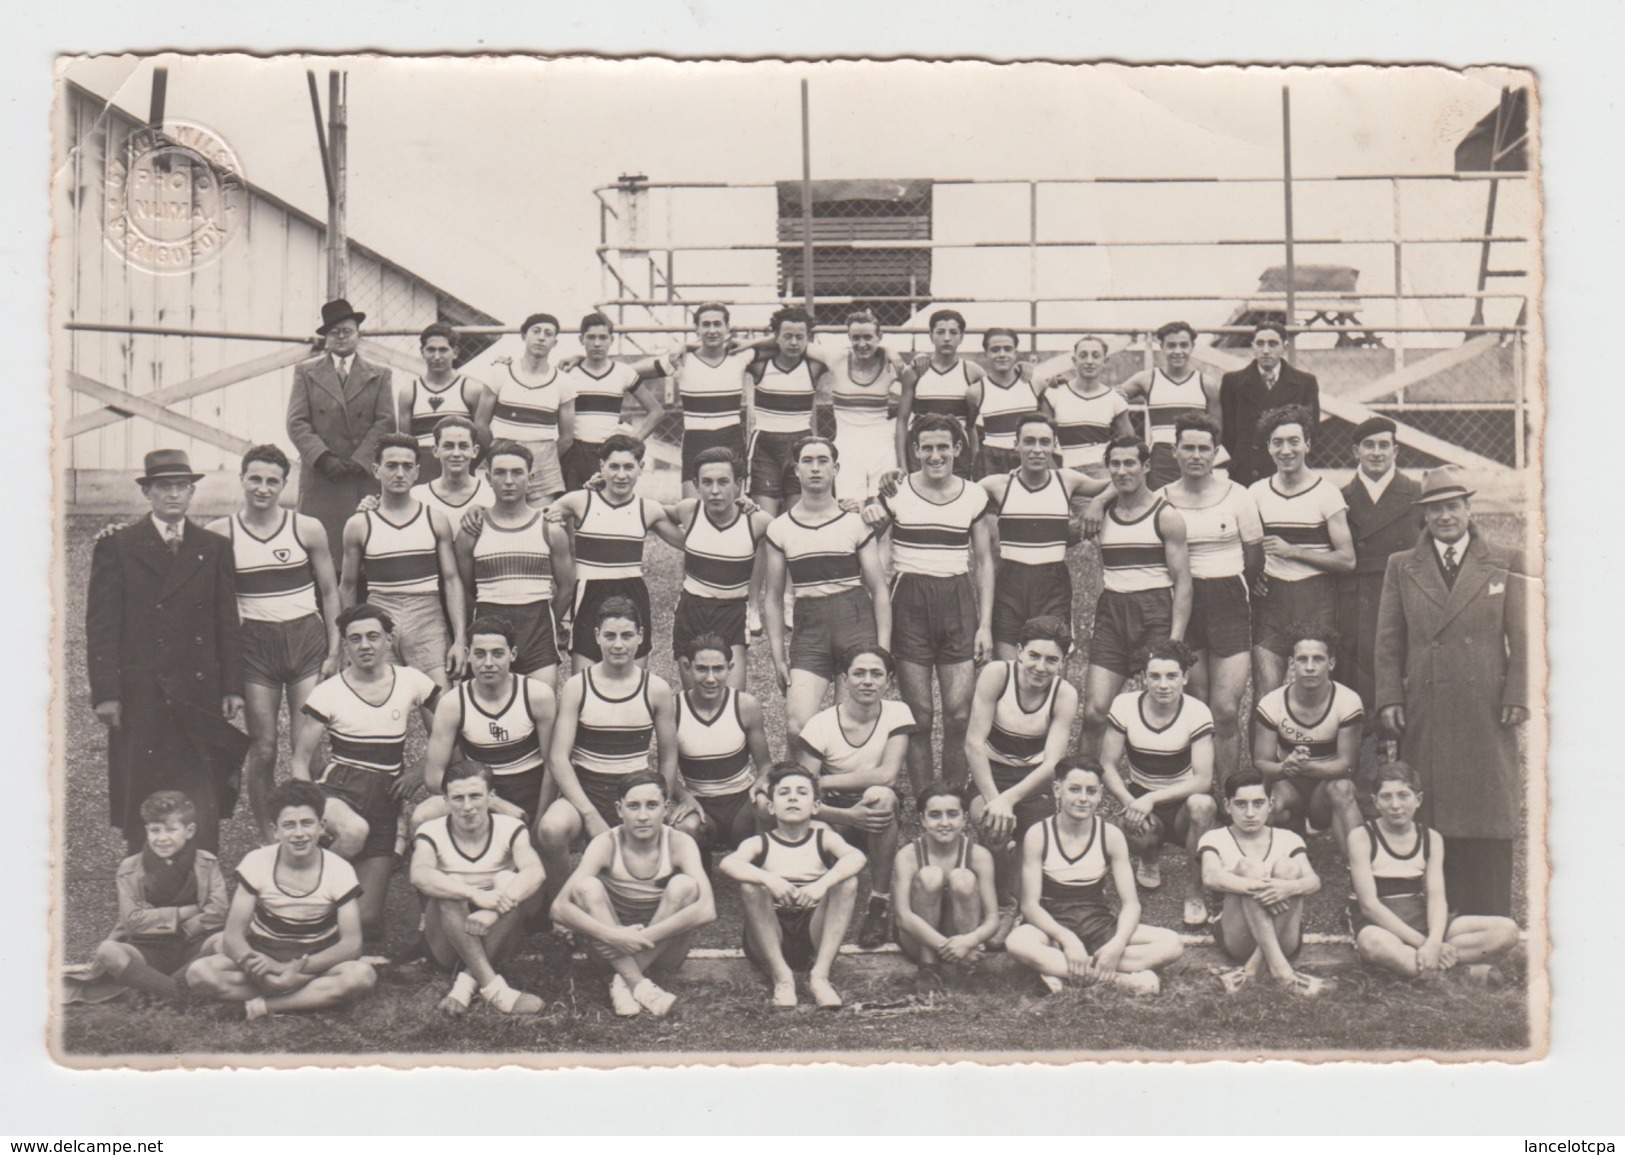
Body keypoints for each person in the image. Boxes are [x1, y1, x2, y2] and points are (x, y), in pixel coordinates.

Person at [1375, 466, 1530, 918]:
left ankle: (1490, 915)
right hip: (1426, 701)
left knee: (1487, 803)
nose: (1444, 517)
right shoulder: (1402, 566)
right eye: (1434, 509)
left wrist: (1517, 692)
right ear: (1423, 517)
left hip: (1486, 702)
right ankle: (1441, 916)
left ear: (1468, 509)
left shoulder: (1505, 558)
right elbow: (1388, 640)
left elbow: (1522, 635)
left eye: (1452, 506)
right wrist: (1389, 698)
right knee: (1434, 804)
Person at [87, 449, 247, 854]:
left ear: (192, 492)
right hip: (144, 690)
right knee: (144, 780)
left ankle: (202, 875)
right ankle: (143, 877)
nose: (173, 494)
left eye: (181, 486)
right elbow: (103, 626)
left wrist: (232, 687)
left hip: (199, 689)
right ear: (148, 493)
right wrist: (107, 693)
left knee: (200, 783)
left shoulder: (213, 547)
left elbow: (226, 622)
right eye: (164, 486)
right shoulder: (119, 546)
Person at [202, 444, 342, 840]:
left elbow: (330, 593)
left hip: (305, 640)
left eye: (272, 481)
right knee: (263, 748)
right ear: (242, 479)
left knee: (307, 748)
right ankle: (269, 834)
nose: (263, 488)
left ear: (284, 484)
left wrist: (334, 650)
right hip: (255, 646)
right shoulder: (220, 532)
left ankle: (311, 829)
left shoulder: (306, 528)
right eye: (255, 479)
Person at [290, 603, 442, 946]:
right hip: (339, 790)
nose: (365, 645)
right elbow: (300, 761)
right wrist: (308, 809)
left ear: (388, 640)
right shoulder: (328, 691)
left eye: (373, 636)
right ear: (344, 646)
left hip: (386, 798)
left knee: (368, 919)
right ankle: (300, 895)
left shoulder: (411, 680)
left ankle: (324, 899)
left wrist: (420, 770)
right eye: (355, 639)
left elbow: (447, 732)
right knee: (354, 831)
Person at [866, 415, 994, 796]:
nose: (935, 455)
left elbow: (984, 561)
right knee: (919, 714)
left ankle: (952, 793)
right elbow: (874, 542)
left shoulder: (974, 495)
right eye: (927, 448)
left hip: (956, 600)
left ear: (957, 449)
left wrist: (984, 624)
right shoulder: (897, 492)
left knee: (959, 712)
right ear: (915, 450)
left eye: (943, 447)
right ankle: (925, 798)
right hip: (910, 601)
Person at [1134, 415, 1261, 789]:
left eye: (1203, 448)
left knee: (1224, 710)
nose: (1195, 455)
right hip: (1183, 606)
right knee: (1197, 703)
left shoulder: (1238, 495)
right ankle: (1198, 793)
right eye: (1187, 447)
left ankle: (1231, 792)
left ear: (1215, 452)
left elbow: (1254, 557)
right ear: (1173, 451)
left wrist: (1236, 588)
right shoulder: (1159, 498)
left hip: (1229, 602)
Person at [186, 780, 377, 1019]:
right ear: (275, 830)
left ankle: (262, 1006)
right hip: (263, 955)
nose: (299, 834)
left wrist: (291, 969)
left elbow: (351, 945)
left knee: (361, 976)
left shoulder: (339, 870)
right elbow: (234, 934)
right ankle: (303, 998)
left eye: (307, 823)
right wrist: (258, 968)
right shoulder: (256, 862)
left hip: (313, 963)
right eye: (289, 825)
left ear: (322, 826)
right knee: (200, 973)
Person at [538, 598, 680, 907]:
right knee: (551, 829)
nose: (618, 645)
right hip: (587, 789)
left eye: (627, 635)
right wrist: (588, 813)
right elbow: (558, 758)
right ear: (597, 636)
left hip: (634, 791)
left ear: (640, 636)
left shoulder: (656, 688)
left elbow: (669, 756)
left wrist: (661, 804)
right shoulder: (578, 686)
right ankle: (562, 905)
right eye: (610, 636)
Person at [1005, 760, 1183, 996]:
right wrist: (1067, 940)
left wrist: (1117, 946)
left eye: (1091, 791)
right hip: (1052, 926)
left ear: (1100, 794)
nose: (1083, 798)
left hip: (1097, 922)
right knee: (1017, 942)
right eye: (1074, 789)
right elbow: (1029, 905)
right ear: (1058, 790)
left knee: (1172, 944)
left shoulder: (1110, 836)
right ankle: (1116, 979)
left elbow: (1131, 904)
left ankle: (1067, 973)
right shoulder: (1039, 834)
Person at [552, 772, 717, 1018]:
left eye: (652, 806)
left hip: (663, 952)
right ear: (619, 810)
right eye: (633, 806)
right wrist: (614, 935)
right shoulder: (605, 842)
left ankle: (624, 982)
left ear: (665, 808)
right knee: (586, 887)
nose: (642, 816)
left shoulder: (679, 842)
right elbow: (558, 908)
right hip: (610, 950)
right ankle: (639, 986)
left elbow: (707, 909)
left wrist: (640, 937)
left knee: (684, 885)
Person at [762, 436, 892, 740]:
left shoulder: (855, 523)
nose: (815, 468)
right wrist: (778, 656)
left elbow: (880, 590)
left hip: (855, 621)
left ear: (836, 469)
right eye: (807, 461)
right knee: (798, 725)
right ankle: (801, 785)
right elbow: (772, 598)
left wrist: (883, 650)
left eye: (823, 461)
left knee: (851, 725)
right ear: (796, 470)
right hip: (810, 628)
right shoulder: (780, 528)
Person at [964, 614, 1081, 947]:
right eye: (1034, 656)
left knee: (1039, 844)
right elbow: (973, 743)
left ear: (1062, 662)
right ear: (1018, 651)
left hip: (1033, 781)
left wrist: (1010, 800)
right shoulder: (996, 675)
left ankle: (1032, 907)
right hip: (991, 773)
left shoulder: (1065, 694)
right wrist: (994, 800)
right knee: (993, 826)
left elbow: (1052, 764)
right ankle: (1003, 904)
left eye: (1051, 660)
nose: (1041, 667)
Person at [1348, 762, 1521, 982]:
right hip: (1380, 925)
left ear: (1418, 800)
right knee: (1374, 944)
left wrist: (1434, 941)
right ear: (1375, 802)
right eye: (1386, 797)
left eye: (1403, 795)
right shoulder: (1361, 837)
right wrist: (1426, 944)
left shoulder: (1431, 838)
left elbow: (1437, 898)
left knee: (1506, 930)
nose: (1395, 805)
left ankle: (1422, 967)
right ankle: (1458, 974)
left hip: (1420, 919)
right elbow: (1369, 906)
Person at [1077, 436, 1192, 763]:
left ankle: (1163, 781)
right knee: (1095, 711)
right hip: (1113, 613)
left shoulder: (1165, 515)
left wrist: (1175, 642)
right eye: (1115, 463)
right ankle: (1082, 780)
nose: (1122, 470)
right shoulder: (1102, 514)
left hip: (1155, 610)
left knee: (1161, 708)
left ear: (1146, 466)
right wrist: (1098, 501)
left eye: (1130, 463)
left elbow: (1183, 582)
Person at [794, 645, 915, 949]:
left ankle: (879, 901)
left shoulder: (898, 712)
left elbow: (887, 775)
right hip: (833, 814)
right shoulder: (820, 725)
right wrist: (846, 815)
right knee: (812, 826)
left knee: (881, 795)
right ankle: (813, 905)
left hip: (874, 810)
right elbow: (804, 796)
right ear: (844, 680)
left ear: (889, 681)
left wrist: (827, 780)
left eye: (876, 674)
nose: (867, 681)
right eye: (858, 673)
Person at [720, 763, 867, 1010]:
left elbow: (857, 858)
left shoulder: (824, 837)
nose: (793, 798)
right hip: (771, 932)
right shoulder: (760, 842)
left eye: (802, 792)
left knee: (846, 882)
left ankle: (820, 976)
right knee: (751, 887)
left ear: (816, 805)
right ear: (770, 806)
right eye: (784, 793)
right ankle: (782, 978)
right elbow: (728, 863)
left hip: (812, 931)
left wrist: (821, 885)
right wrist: (770, 879)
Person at [409, 762, 548, 1015]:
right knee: (450, 887)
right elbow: (419, 874)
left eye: (475, 796)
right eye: (458, 798)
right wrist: (476, 895)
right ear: (446, 800)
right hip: (446, 940)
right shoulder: (431, 830)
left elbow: (534, 871)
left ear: (491, 797)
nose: (467, 806)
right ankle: (495, 989)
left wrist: (492, 911)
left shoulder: (510, 827)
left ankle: (464, 987)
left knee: (509, 880)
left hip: (495, 932)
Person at [341, 433, 469, 699]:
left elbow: (452, 580)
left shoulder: (435, 519)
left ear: (417, 472)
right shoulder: (359, 524)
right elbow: (349, 586)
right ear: (376, 470)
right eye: (391, 465)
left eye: (407, 466)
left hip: (427, 615)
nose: (399, 473)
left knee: (441, 711)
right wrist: (348, 641)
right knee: (377, 710)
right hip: (380, 613)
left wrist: (459, 639)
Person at [1100, 641, 1218, 928]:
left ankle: (1194, 892)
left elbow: (1203, 779)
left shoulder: (1197, 711)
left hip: (1183, 802)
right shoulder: (1125, 705)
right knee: (1128, 830)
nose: (1163, 685)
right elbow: (1106, 765)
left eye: (1171, 676)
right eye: (1154, 676)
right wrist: (1132, 803)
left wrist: (1152, 800)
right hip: (1141, 796)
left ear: (1185, 678)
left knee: (1203, 806)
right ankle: (1149, 855)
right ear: (1143, 678)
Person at [544, 433, 682, 671]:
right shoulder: (579, 501)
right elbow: (530, 521)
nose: (621, 475)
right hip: (589, 594)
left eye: (629, 467)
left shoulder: (648, 509)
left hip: (632, 593)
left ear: (641, 468)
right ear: (601, 467)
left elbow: (693, 541)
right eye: (614, 466)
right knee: (585, 680)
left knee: (633, 679)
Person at [75, 791, 228, 1004]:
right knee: (108, 951)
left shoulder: (206, 863)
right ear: (147, 831)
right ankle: (180, 996)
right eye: (155, 830)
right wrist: (185, 912)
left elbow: (219, 911)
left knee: (226, 941)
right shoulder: (129, 868)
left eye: (171, 830)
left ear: (189, 831)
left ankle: (156, 990)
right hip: (147, 950)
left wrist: (183, 926)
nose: (162, 838)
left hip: (191, 945)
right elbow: (133, 921)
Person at [979, 412, 1111, 659]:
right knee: (1009, 668)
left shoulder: (1067, 480)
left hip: (1052, 582)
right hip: (1010, 582)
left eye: (1044, 442)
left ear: (1054, 446)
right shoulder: (997, 485)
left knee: (1052, 661)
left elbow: (1123, 480)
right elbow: (953, 490)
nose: (1037, 449)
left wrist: (1098, 502)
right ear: (1016, 444)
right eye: (1029, 441)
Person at [1248, 404, 1355, 698]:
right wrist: (1252, 575)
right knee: (1265, 695)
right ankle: (1267, 746)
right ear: (1269, 447)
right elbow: (1245, 547)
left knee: (1315, 689)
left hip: (1315, 597)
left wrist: (1293, 551)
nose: (1286, 450)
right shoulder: (1256, 492)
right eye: (1277, 442)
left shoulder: (1326, 493)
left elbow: (1347, 559)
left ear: (1307, 444)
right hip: (1271, 599)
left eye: (1294, 441)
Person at [415, 615, 556, 827]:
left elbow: (553, 766)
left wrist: (540, 821)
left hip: (531, 795)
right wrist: (493, 803)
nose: (488, 663)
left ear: (513, 654)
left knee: (550, 829)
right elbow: (433, 777)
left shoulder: (537, 695)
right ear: (467, 655)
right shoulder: (453, 703)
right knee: (422, 816)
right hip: (478, 796)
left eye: (498, 654)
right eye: (480, 654)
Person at [1198, 770, 1328, 997]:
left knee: (1289, 869)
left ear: (1271, 804)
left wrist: (1288, 887)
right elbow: (1210, 877)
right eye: (1241, 804)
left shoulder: (1289, 838)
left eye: (1258, 804)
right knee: (1250, 867)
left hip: (1284, 938)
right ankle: (1281, 971)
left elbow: (1313, 880)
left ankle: (1255, 968)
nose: (1250, 813)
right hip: (1237, 935)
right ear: (1227, 806)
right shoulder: (1214, 838)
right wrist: (1261, 888)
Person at [286, 298, 396, 567]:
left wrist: (360, 461)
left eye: (347, 331)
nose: (341, 337)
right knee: (322, 555)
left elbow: (385, 421)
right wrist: (323, 458)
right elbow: (296, 422)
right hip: (322, 477)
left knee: (363, 554)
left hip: (362, 477)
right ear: (326, 338)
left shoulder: (380, 374)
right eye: (334, 332)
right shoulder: (306, 372)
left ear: (358, 333)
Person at [457, 440, 572, 682]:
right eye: (500, 472)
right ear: (488, 478)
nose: (508, 481)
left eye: (517, 472)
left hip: (537, 629)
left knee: (541, 707)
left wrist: (546, 619)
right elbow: (465, 589)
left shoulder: (550, 529)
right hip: (489, 629)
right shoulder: (472, 531)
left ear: (530, 477)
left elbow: (566, 587)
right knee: (484, 708)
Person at [1336, 416, 1422, 723]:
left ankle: (1401, 760)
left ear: (1396, 451)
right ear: (1355, 452)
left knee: (1403, 673)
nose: (1376, 453)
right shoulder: (1339, 499)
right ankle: (1356, 758)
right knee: (1355, 683)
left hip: (1405, 598)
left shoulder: (1417, 495)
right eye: (1368, 446)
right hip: (1354, 601)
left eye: (1384, 445)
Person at [666, 448, 772, 689]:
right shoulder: (688, 511)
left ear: (738, 484)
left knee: (732, 700)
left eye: (723, 482)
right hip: (691, 610)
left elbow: (795, 533)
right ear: (696, 484)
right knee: (693, 697)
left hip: (732, 611)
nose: (715, 491)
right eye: (707, 482)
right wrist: (600, 491)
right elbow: (645, 514)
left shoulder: (757, 521)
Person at [1251, 628, 1365, 851]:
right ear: (1292, 664)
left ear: (1331, 663)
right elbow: (1261, 763)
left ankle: (1361, 867)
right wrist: (1285, 766)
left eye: (1318, 659)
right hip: (1288, 786)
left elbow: (1346, 765)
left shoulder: (1348, 701)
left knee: (1343, 789)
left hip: (1325, 788)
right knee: (1266, 805)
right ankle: (1267, 864)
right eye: (1302, 660)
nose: (1310, 667)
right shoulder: (1272, 703)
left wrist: (1302, 766)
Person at [671, 634, 774, 858]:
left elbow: (765, 765)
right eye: (702, 669)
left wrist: (762, 782)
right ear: (688, 667)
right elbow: (665, 773)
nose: (710, 678)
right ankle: (699, 880)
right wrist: (685, 797)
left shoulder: (745, 705)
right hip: (700, 804)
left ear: (730, 668)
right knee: (684, 827)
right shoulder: (673, 709)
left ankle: (761, 876)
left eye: (718, 669)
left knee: (768, 805)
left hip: (741, 804)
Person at [891, 782, 1000, 987]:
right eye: (934, 815)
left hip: (961, 937)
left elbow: (993, 919)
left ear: (964, 819)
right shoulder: (907, 856)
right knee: (930, 875)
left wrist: (969, 941)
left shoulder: (979, 856)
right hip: (918, 939)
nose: (944, 822)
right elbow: (903, 918)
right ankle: (928, 968)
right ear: (922, 819)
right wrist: (950, 949)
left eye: (952, 814)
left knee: (963, 878)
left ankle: (968, 971)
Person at [560, 312, 668, 492]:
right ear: (581, 339)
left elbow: (657, 412)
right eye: (591, 337)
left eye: (603, 337)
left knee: (605, 507)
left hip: (607, 453)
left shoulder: (623, 372)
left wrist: (632, 442)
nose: (597, 343)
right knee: (573, 508)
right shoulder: (568, 374)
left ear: (611, 340)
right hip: (574, 452)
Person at [663, 302, 758, 501]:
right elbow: (632, 372)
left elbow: (778, 342)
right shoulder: (682, 359)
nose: (712, 330)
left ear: (727, 328)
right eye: (706, 324)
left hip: (730, 438)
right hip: (696, 439)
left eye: (717, 324)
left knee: (731, 507)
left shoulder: (740, 356)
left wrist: (749, 343)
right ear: (696, 328)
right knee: (691, 508)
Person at [479, 312, 573, 507]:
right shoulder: (500, 371)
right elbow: (480, 423)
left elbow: (567, 437)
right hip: (503, 452)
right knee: (501, 516)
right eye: (536, 331)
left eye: (548, 334)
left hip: (544, 458)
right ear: (524, 336)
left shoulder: (564, 381)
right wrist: (497, 451)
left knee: (541, 522)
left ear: (554, 342)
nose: (541, 337)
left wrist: (544, 456)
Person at [1120, 322, 1222, 489]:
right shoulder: (1146, 379)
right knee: (1161, 507)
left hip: (1195, 456)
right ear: (1162, 347)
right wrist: (1129, 436)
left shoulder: (1207, 384)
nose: (1177, 351)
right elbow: (1109, 399)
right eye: (1171, 345)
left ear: (1192, 347)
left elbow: (1217, 432)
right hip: (1161, 458)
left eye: (1183, 345)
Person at [1219, 321, 1321, 489]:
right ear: (1252, 347)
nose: (1266, 350)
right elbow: (1228, 431)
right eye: (1260, 343)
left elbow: (1311, 430)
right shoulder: (1233, 382)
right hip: (1246, 470)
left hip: (1287, 467)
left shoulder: (1305, 382)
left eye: (1273, 344)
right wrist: (1244, 457)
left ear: (1285, 347)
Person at [745, 305, 823, 515]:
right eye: (787, 336)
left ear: (809, 338)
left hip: (801, 444)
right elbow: (731, 348)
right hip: (765, 445)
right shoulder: (760, 366)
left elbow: (845, 353)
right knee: (763, 518)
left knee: (797, 518)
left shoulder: (813, 367)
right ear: (775, 338)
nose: (794, 342)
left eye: (800, 337)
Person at [824, 309, 904, 503]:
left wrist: (890, 352)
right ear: (849, 338)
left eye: (868, 337)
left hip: (882, 444)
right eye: (856, 338)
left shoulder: (892, 366)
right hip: (847, 444)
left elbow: (919, 389)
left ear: (880, 337)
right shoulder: (836, 360)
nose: (862, 344)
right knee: (850, 505)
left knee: (885, 505)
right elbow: (795, 346)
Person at [895, 309, 984, 477]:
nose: (947, 338)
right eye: (940, 332)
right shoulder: (915, 371)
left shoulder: (972, 371)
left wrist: (975, 458)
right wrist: (902, 465)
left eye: (953, 332)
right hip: (922, 448)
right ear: (931, 335)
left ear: (962, 337)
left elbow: (974, 424)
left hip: (957, 450)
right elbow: (902, 421)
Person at [398, 322, 491, 481]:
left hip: (460, 473)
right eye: (431, 350)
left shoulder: (470, 389)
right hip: (424, 475)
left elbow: (483, 439)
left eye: (443, 350)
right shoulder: (409, 392)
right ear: (422, 352)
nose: (437, 357)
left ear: (454, 352)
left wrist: (465, 463)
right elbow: (406, 444)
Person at [1039, 336, 1133, 477]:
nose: (1089, 361)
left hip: (1101, 471)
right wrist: (1053, 473)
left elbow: (1129, 444)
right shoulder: (1054, 394)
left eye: (1096, 356)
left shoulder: (1114, 398)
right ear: (1074, 361)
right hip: (1062, 470)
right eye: (1083, 356)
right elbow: (1041, 438)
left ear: (1105, 361)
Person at [971, 327, 1042, 478]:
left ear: (1015, 353)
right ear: (985, 354)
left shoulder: (1035, 383)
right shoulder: (976, 391)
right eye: (995, 349)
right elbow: (970, 428)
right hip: (992, 460)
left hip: (1030, 457)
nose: (1002, 354)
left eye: (1008, 349)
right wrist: (975, 458)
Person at [409, 415, 496, 524]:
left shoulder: (491, 494)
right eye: (448, 446)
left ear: (475, 451)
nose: (456, 453)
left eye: (463, 446)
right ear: (435, 450)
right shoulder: (417, 496)